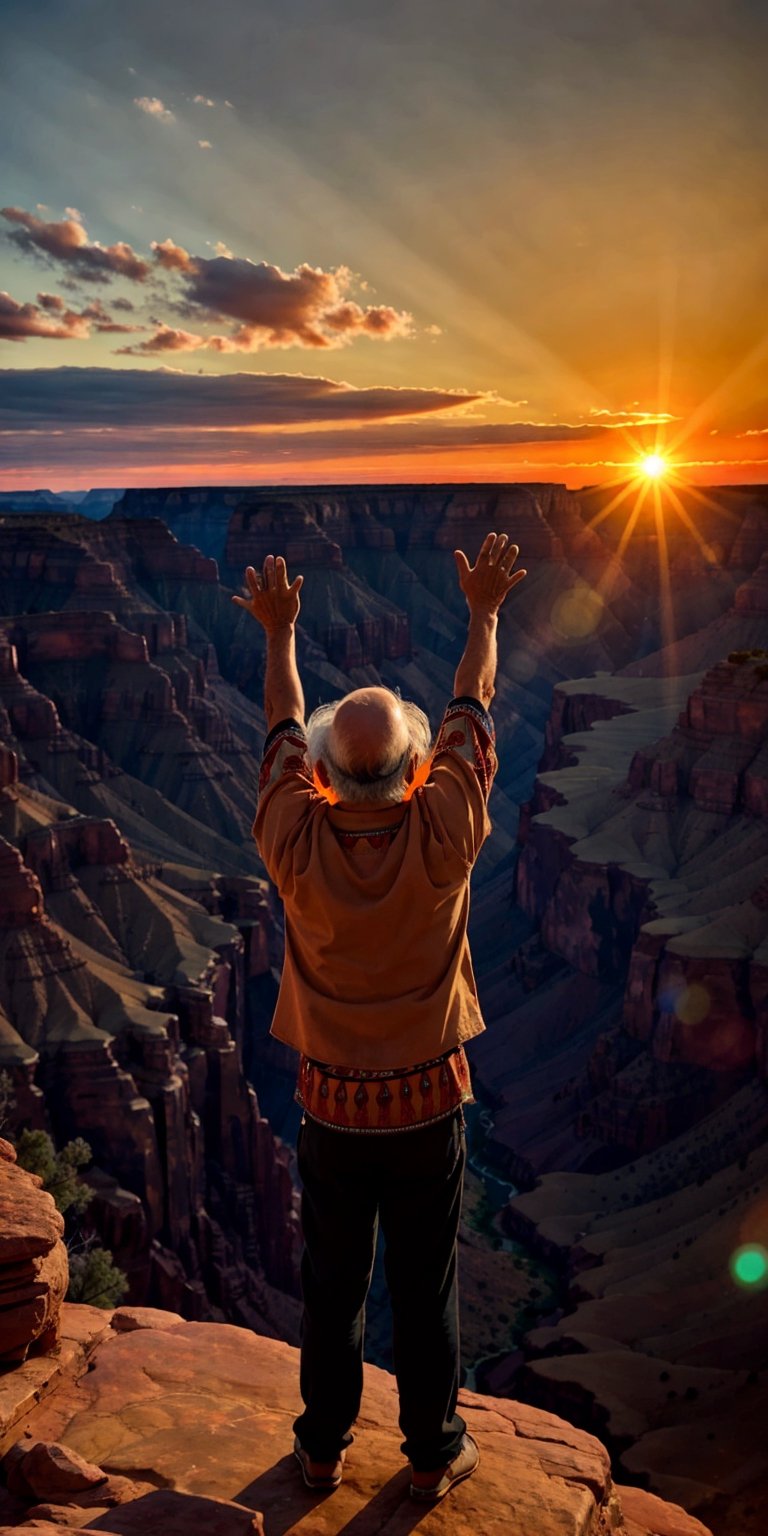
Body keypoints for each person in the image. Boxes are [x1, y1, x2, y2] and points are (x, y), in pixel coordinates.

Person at [233, 531, 526, 1502]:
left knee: (331, 1285)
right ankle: (434, 1452)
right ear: (412, 775)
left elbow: (279, 724)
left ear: (323, 776)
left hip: (329, 1105)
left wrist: (281, 632)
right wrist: (483, 614)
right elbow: (469, 716)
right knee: (425, 1281)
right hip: (428, 1102)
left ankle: (321, 1449)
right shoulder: (445, 830)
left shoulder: (294, 837)